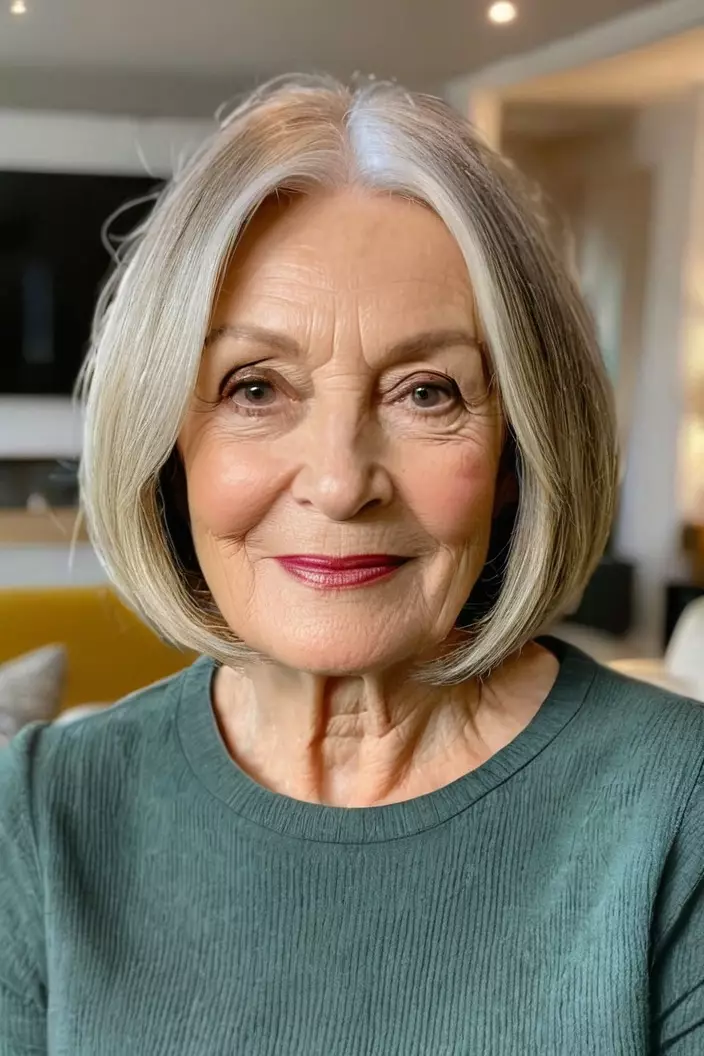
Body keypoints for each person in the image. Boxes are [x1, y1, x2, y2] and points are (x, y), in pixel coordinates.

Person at [0, 75, 702, 1056]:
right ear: (169, 443)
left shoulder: (678, 807)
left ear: (516, 450)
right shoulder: (40, 814)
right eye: (254, 387)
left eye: (425, 392)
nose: (338, 483)